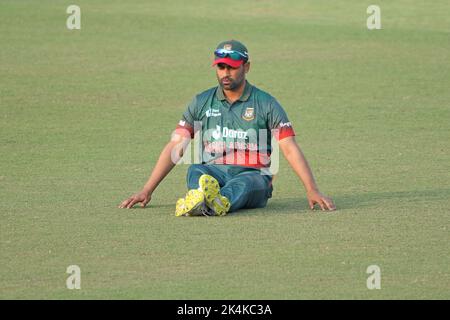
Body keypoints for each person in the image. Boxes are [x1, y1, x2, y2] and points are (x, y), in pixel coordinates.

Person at [119, 40, 336, 215]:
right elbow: (177, 146)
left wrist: (312, 189)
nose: (225, 73)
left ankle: (215, 202)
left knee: (248, 181)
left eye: (232, 68)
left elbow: (289, 147)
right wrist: (147, 190)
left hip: (253, 175)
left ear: (246, 67)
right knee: (196, 169)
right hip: (215, 171)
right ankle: (205, 198)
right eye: (221, 67)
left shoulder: (266, 103)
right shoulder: (201, 101)